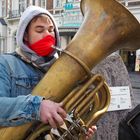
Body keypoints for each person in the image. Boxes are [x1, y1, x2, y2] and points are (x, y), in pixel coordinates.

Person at [0, 6, 96, 139]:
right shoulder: (5, 63)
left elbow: (66, 114)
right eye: (39, 30)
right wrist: (37, 107)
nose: (47, 34)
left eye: (51, 30)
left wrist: (75, 130)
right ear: (25, 35)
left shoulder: (62, 69)